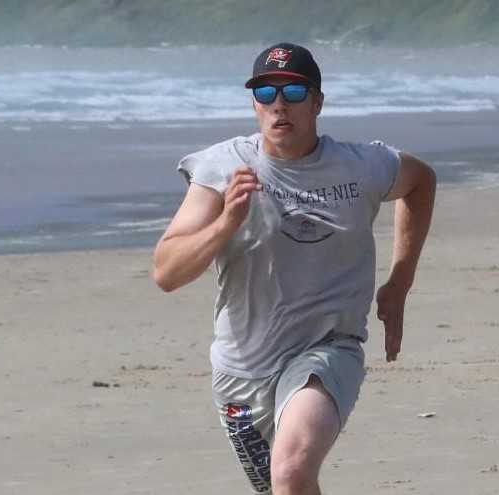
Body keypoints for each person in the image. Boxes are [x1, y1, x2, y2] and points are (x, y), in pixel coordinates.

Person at [153, 42, 436, 495]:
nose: (279, 104)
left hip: (328, 350)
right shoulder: (224, 168)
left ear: (318, 102)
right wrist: (226, 222)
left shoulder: (361, 166)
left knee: (290, 471)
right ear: (254, 103)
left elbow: (420, 181)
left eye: (293, 92)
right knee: (285, 488)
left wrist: (400, 282)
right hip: (242, 372)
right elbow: (166, 272)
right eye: (266, 93)